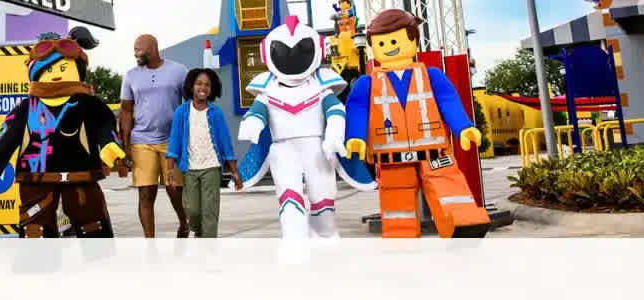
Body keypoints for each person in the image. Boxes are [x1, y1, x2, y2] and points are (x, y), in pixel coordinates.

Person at [344, 9, 490, 238]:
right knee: (396, 199)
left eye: (395, 39)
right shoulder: (367, 83)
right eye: (383, 42)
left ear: (413, 39)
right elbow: (357, 108)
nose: (391, 46)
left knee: (449, 187)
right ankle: (401, 239)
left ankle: (464, 225)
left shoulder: (431, 75)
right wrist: (355, 136)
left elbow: (449, 101)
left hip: (434, 150)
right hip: (391, 154)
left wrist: (463, 126)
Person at [233, 16, 375, 239]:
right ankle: (294, 239)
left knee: (323, 196)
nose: (291, 56)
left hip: (317, 148)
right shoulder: (268, 88)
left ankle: (325, 236)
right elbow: (257, 111)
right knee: (289, 197)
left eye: (300, 50)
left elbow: (335, 111)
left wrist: (334, 135)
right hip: (284, 150)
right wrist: (252, 123)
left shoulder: (321, 84)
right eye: (284, 51)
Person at [0, 28, 125, 238]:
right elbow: (8, 134)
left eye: (63, 67)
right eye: (48, 70)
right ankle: (39, 267)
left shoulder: (87, 103)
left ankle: (99, 265)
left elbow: (104, 123)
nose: (57, 73)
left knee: (91, 221)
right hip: (36, 177)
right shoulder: (26, 107)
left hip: (80, 175)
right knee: (36, 226)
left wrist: (109, 144)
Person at [119, 34, 191, 238]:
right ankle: (149, 241)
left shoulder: (178, 70)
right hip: (141, 141)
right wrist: (126, 145)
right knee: (145, 192)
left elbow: (190, 104)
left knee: (174, 190)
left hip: (172, 141)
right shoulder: (131, 75)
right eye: (134, 50)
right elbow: (125, 110)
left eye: (139, 50)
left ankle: (184, 223)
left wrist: (188, 138)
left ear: (153, 48)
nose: (136, 54)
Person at [165, 68, 243, 238]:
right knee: (192, 210)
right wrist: (170, 169)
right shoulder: (181, 112)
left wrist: (235, 172)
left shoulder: (216, 113)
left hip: (212, 167)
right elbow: (174, 143)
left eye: (207, 85)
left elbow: (226, 144)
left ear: (212, 89)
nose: (203, 87)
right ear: (191, 86)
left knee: (210, 211)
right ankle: (199, 232)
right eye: (199, 83)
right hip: (190, 168)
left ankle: (208, 249)